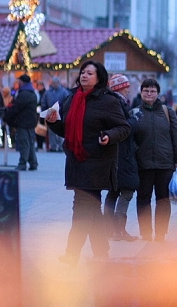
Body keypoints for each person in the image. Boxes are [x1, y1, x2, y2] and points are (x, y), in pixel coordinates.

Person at [46, 61, 130, 266]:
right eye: (83, 72)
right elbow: (67, 130)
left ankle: (72, 253)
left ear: (99, 77)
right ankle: (102, 251)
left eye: (89, 73)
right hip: (76, 160)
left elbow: (124, 127)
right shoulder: (72, 98)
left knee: (81, 208)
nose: (84, 76)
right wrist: (53, 122)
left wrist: (109, 136)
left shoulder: (108, 101)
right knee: (91, 209)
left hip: (98, 162)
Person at [129, 78, 177, 242]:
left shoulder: (168, 112)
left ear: (158, 93)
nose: (149, 94)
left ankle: (161, 233)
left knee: (163, 199)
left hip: (165, 163)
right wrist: (135, 152)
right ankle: (146, 233)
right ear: (141, 92)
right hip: (143, 164)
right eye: (146, 90)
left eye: (152, 91)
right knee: (143, 198)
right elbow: (129, 138)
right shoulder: (134, 113)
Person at [105, 74, 140, 242]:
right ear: (119, 88)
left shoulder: (111, 102)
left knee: (113, 193)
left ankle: (109, 230)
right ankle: (118, 230)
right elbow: (123, 128)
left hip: (114, 155)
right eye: (126, 87)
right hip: (123, 155)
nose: (128, 89)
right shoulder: (118, 104)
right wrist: (134, 120)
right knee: (126, 192)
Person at [4, 74, 39, 171]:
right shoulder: (32, 93)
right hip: (31, 122)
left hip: (23, 122)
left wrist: (7, 116)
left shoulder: (24, 94)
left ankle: (22, 163)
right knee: (30, 143)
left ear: (21, 82)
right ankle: (33, 163)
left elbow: (16, 108)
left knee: (24, 143)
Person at [41, 76, 71, 152]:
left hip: (61, 113)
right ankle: (53, 146)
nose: (54, 84)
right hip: (50, 112)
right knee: (51, 131)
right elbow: (43, 101)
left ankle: (61, 146)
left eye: (56, 83)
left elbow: (68, 101)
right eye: (53, 83)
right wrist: (45, 110)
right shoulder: (48, 92)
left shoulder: (64, 92)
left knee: (61, 130)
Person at [35, 80, 47, 151]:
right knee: (38, 128)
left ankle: (41, 143)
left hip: (43, 112)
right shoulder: (37, 93)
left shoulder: (45, 93)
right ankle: (39, 144)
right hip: (37, 113)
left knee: (42, 128)